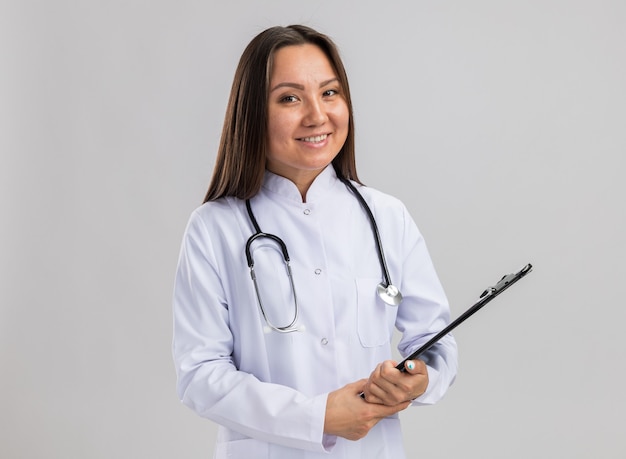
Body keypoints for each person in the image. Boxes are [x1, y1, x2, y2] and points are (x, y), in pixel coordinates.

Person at [172, 24, 458, 458]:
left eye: (329, 93)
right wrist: (317, 416)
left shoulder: (387, 216)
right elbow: (200, 374)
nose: (317, 115)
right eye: (290, 98)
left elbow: (434, 340)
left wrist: (418, 378)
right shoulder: (214, 228)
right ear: (253, 112)